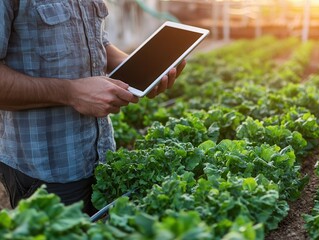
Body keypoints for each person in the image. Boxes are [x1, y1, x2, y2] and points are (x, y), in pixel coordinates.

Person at [0, 0, 186, 215]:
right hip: (45, 171)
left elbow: (98, 41)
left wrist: (138, 67)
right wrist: (70, 93)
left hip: (102, 158)